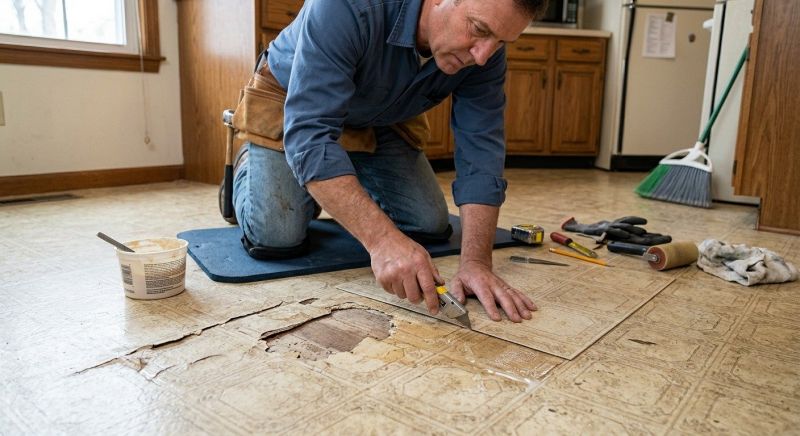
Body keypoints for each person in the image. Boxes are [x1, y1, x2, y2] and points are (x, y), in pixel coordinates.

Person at [227, 0, 547, 322]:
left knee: (429, 224)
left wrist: (477, 262)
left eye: (501, 42)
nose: (482, 56)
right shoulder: (345, 6)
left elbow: (481, 151)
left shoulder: (485, 53)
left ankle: (332, 176)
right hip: (293, 102)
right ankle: (249, 166)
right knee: (278, 235)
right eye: (478, 30)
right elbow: (310, 137)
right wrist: (382, 241)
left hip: (381, 116)